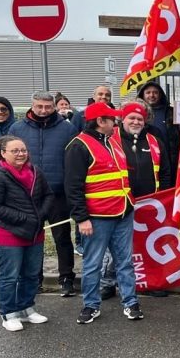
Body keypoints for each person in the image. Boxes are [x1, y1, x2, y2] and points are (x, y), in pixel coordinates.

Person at [65, 101, 143, 325]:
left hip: (123, 212)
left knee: (125, 262)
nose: (116, 122)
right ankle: (91, 305)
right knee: (93, 264)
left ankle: (131, 302)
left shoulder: (112, 141)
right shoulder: (78, 146)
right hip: (97, 216)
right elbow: (72, 187)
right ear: (100, 121)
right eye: (112, 119)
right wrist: (82, 219)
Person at [100, 101, 172, 299]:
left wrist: (162, 198)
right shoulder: (109, 140)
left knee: (147, 246)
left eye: (140, 119)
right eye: (131, 117)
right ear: (122, 119)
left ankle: (148, 282)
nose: (136, 122)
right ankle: (107, 283)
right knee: (115, 246)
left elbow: (165, 172)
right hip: (119, 203)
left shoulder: (155, 141)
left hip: (149, 204)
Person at [11, 91, 78, 297]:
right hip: (29, 193)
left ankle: (66, 279)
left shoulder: (67, 129)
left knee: (62, 237)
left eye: (48, 107)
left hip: (58, 193)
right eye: (39, 106)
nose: (43, 110)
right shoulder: (17, 129)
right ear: (32, 106)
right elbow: (8, 159)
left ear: (54, 107)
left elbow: (74, 160)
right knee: (32, 238)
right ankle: (34, 279)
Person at [0, 135, 53, 331]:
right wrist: (24, 218)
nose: (21, 154)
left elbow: (48, 195)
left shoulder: (35, 171)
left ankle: (26, 309)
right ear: (3, 153)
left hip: (34, 234)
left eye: (23, 150)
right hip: (7, 236)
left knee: (31, 275)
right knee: (9, 277)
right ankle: (8, 314)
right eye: (15, 151)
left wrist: (41, 215)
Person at [136, 80, 180, 167]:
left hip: (169, 158)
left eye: (155, 92)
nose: (152, 95)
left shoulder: (172, 112)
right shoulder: (136, 112)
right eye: (148, 92)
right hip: (144, 157)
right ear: (142, 95)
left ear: (160, 95)